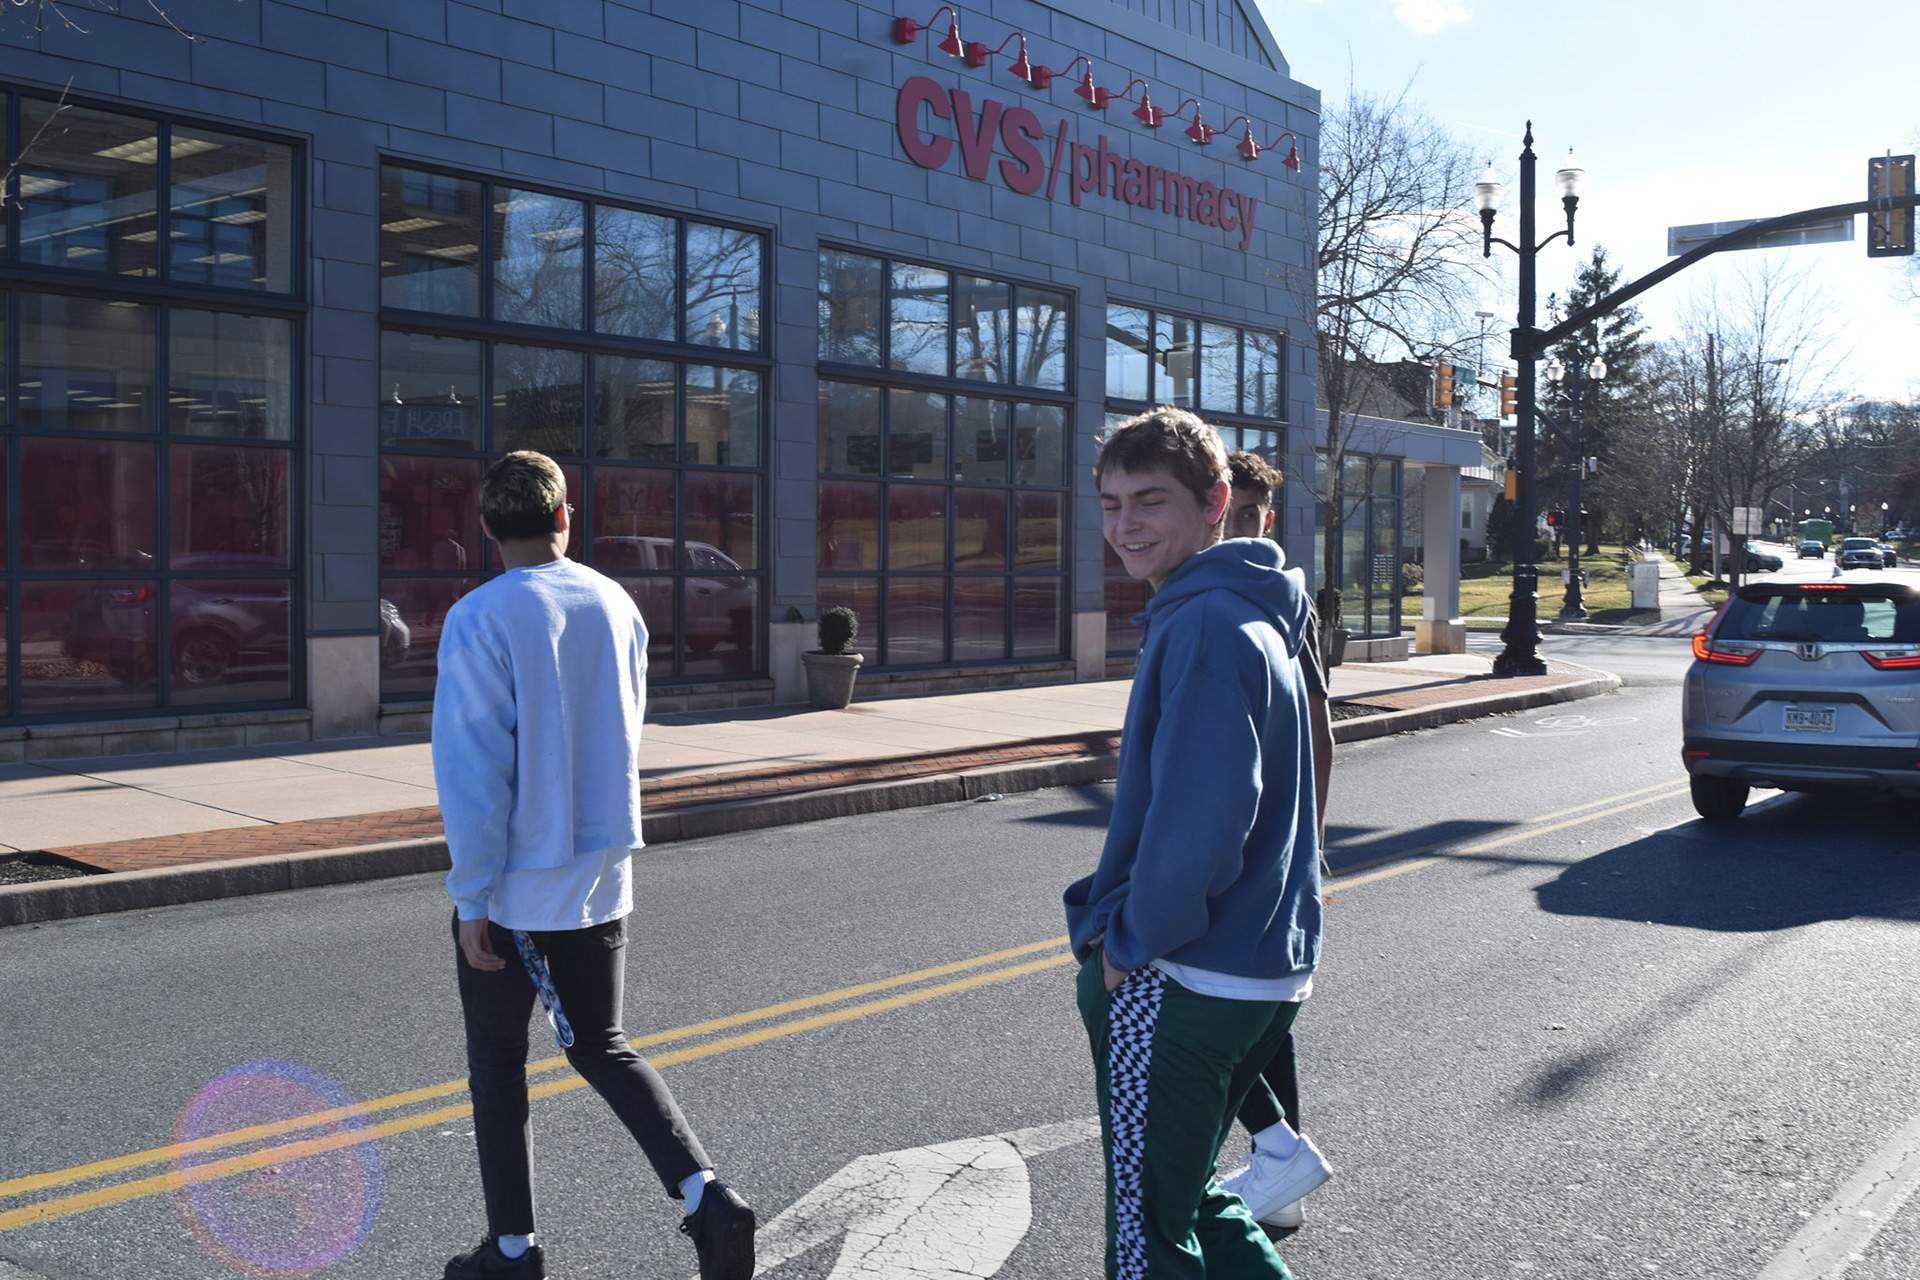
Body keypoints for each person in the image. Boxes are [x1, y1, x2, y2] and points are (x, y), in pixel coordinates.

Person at [433, 451, 755, 1280]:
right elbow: (626, 723)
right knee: (602, 1044)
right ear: (563, 517)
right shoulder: (616, 603)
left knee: (498, 1067)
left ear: (487, 527)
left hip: (518, 881)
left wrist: (471, 897)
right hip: (604, 863)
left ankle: (514, 1251)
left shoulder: (479, 617)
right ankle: (706, 1196)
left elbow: (474, 772)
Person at [1065, 409, 1325, 1279]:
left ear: (1215, 502)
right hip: (1258, 970)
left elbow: (1206, 818)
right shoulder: (1244, 607)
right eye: (1111, 504)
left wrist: (1127, 946)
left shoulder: (1206, 621)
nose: (1125, 526)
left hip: (1184, 976)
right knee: (1191, 1201)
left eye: (1150, 501)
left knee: (1145, 1240)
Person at [1216, 450, 1335, 1232]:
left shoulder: (1282, 600)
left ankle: (1275, 1154)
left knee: (1205, 1007)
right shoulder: (1198, 592)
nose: (1244, 528)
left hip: (1252, 841)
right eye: (1234, 514)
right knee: (1256, 1009)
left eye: (1254, 516)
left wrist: (1310, 845)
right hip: (1226, 826)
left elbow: (1320, 730)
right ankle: (1276, 1165)